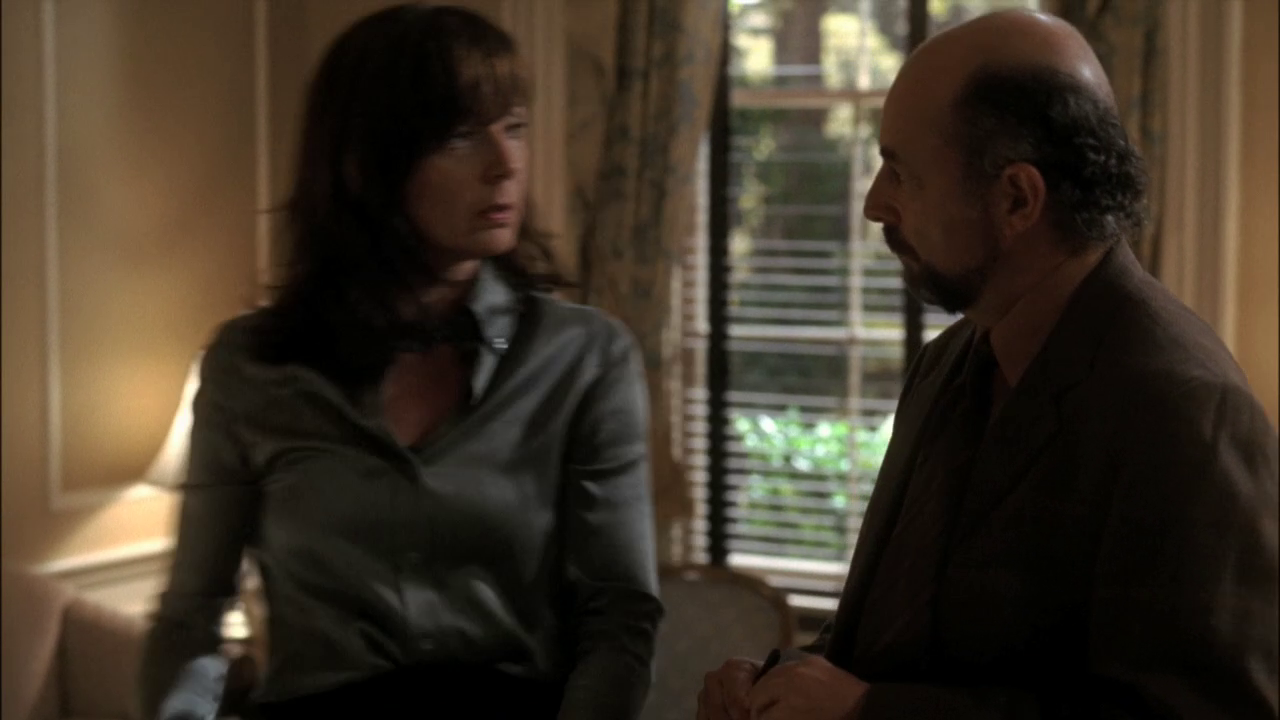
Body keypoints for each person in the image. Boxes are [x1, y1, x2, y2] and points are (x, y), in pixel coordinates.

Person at [699, 9, 1278, 720]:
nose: (875, 204)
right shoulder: (949, 364)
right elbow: (897, 642)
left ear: (1016, 198)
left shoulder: (1186, 413)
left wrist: (868, 712)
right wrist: (780, 684)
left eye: (902, 173)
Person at [140, 5, 663, 719]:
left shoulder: (583, 358)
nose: (505, 164)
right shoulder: (252, 366)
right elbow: (191, 615)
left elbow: (619, 614)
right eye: (460, 137)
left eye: (513, 128)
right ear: (366, 165)